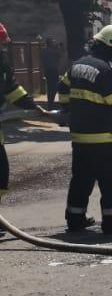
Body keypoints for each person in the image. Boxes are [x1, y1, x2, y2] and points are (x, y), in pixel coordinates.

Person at [57, 25, 112, 236]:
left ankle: (75, 219)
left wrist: (67, 110)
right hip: (99, 137)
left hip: (78, 136)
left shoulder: (77, 65)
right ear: (109, 46)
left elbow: (63, 88)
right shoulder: (106, 69)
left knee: (82, 178)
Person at [0, 22, 51, 235]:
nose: (3, 47)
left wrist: (31, 106)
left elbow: (11, 87)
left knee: (2, 175)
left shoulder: (1, 62)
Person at [41, 36, 63, 106]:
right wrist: (59, 48)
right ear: (50, 43)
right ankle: (51, 101)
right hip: (53, 70)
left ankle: (50, 101)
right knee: (54, 86)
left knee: (50, 86)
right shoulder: (54, 51)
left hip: (47, 70)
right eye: (53, 42)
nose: (54, 43)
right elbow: (61, 56)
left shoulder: (44, 51)